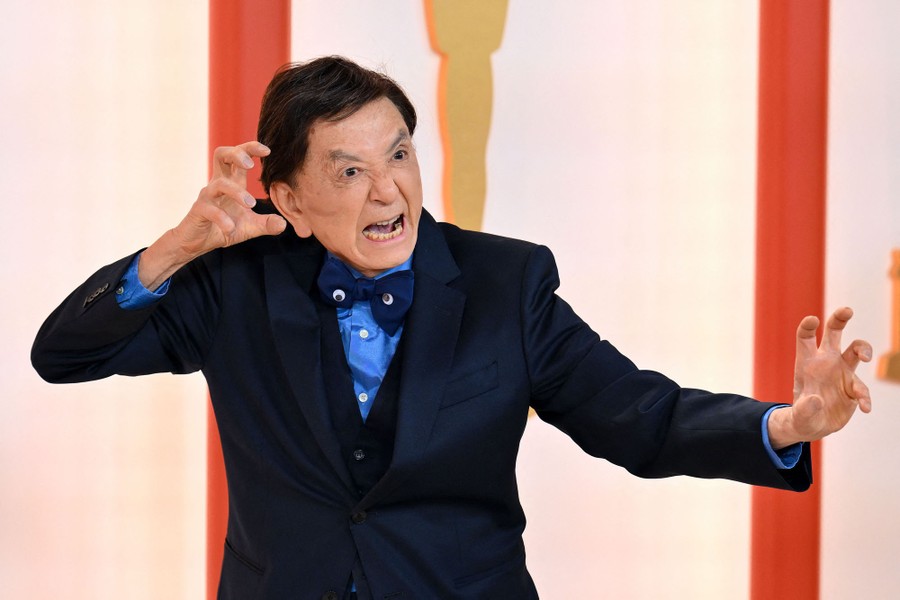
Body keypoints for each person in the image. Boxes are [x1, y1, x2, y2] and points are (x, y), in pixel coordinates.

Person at [31, 56, 873, 600]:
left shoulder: (506, 282)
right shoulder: (232, 285)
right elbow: (61, 354)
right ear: (285, 197)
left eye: (398, 155)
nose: (388, 191)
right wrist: (178, 248)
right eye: (349, 171)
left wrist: (788, 424)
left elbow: (639, 416)